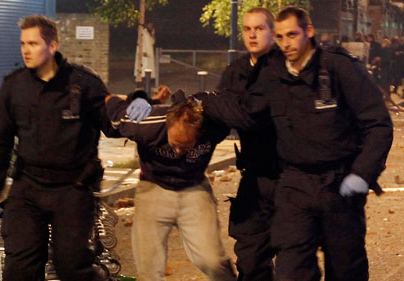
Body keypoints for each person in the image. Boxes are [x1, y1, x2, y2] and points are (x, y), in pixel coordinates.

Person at [194, 6, 393, 281]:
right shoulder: (273, 73)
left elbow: (378, 124)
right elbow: (248, 112)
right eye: (280, 36)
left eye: (291, 34)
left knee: (347, 269)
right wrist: (200, 103)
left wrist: (362, 175)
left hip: (340, 184)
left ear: (308, 32)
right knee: (291, 269)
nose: (286, 43)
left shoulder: (338, 68)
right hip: (293, 185)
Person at [0, 15, 118, 281]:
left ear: (52, 46)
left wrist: (141, 114)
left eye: (33, 43)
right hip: (28, 187)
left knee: (72, 265)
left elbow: (113, 123)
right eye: (23, 44)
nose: (25, 50)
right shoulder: (15, 85)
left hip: (73, 188)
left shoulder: (83, 84)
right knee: (20, 267)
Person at [106, 91, 236, 281]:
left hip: (194, 187)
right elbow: (110, 102)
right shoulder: (146, 126)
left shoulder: (214, 127)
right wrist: (136, 99)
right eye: (174, 144)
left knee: (212, 260)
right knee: (149, 269)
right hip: (154, 187)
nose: (177, 152)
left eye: (185, 147)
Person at [216, 7, 280, 281]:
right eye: (247, 29)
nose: (252, 34)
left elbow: (252, 115)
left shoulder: (284, 68)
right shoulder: (235, 72)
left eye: (259, 28)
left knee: (295, 259)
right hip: (254, 176)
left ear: (273, 32)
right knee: (251, 258)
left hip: (289, 176)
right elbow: (218, 119)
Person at [134, 22, 156, 87]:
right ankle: (141, 80)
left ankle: (148, 80)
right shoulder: (143, 32)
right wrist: (143, 51)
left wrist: (153, 34)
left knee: (148, 66)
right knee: (143, 66)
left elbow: (152, 42)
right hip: (144, 52)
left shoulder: (147, 33)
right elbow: (140, 42)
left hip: (149, 52)